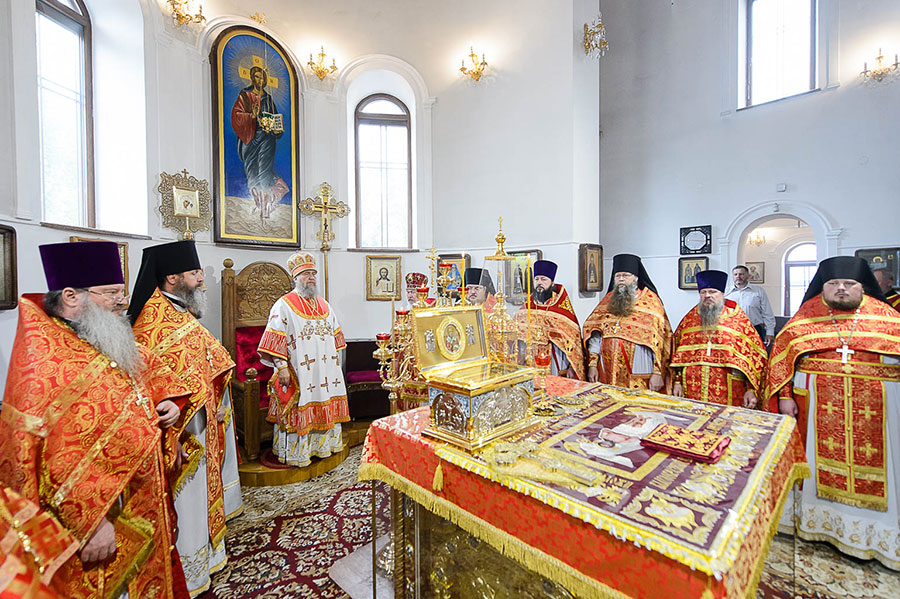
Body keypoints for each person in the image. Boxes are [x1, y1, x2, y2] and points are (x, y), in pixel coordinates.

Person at [0, 241, 192, 599]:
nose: (122, 301)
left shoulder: (103, 334)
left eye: (121, 292)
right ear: (72, 296)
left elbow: (143, 375)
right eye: (111, 293)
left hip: (144, 500)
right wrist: (88, 525)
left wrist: (167, 404)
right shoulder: (45, 365)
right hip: (101, 523)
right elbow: (46, 459)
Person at [764, 256, 900, 569]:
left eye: (848, 284)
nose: (841, 289)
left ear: (861, 286)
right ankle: (819, 525)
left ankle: (874, 535)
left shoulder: (887, 316)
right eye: (833, 284)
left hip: (877, 408)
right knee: (813, 464)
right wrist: (785, 396)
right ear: (822, 287)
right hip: (817, 404)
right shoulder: (807, 314)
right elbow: (782, 360)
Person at [128, 240, 242, 597]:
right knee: (189, 501)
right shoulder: (153, 321)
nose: (202, 281)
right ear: (172, 277)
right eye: (195, 274)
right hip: (184, 430)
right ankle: (191, 567)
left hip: (203, 419)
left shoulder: (179, 312)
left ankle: (206, 554)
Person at [257, 252, 350, 466]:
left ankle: (324, 447)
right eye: (306, 274)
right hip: (299, 372)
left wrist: (335, 366)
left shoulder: (324, 304)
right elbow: (274, 338)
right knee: (300, 404)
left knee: (325, 399)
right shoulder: (284, 305)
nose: (311, 277)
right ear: (295, 278)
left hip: (325, 372)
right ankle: (298, 453)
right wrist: (281, 368)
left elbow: (336, 337)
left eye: (313, 273)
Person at [670, 270, 767, 407]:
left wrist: (751, 389)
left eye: (712, 292)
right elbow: (677, 352)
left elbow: (754, 358)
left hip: (729, 388)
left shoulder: (737, 320)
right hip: (691, 386)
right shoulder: (690, 320)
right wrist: (677, 382)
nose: (707, 295)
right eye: (703, 292)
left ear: (722, 294)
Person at [583, 254, 672, 392]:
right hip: (606, 369)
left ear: (636, 278)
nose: (621, 279)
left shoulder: (651, 302)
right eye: (618, 276)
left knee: (637, 409)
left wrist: (658, 373)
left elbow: (662, 341)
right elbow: (595, 335)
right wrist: (592, 364)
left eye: (626, 275)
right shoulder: (607, 301)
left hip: (640, 366)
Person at [231, 65, 288, 220]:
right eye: (257, 77)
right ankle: (258, 204)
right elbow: (236, 115)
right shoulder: (245, 95)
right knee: (251, 171)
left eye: (262, 77)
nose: (260, 80)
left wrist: (277, 129)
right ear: (252, 78)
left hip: (267, 139)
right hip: (250, 138)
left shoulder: (268, 98)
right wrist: (251, 115)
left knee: (264, 170)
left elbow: (276, 119)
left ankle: (265, 209)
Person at [514, 260, 584, 379]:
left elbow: (573, 340)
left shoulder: (561, 308)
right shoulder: (526, 308)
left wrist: (572, 366)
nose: (539, 283)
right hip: (529, 362)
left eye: (544, 279)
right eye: (536, 279)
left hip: (555, 361)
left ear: (552, 283)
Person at [725, 264, 776, 347]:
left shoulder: (758, 291)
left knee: (755, 357)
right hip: (732, 330)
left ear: (748, 276)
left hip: (754, 329)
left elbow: (767, 313)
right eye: (735, 274)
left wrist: (770, 332)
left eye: (741, 274)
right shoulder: (726, 293)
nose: (738, 276)